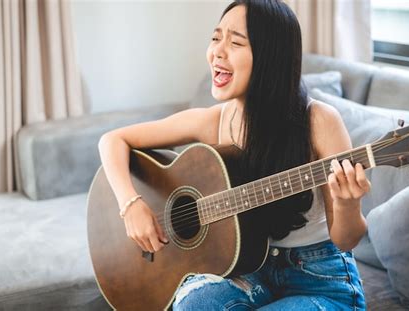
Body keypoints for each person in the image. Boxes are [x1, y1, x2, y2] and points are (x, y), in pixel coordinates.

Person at [98, 1, 370, 309]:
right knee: (195, 303)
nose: (217, 51)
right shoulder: (214, 121)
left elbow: (347, 239)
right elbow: (113, 140)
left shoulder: (319, 121)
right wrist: (131, 204)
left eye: (236, 42)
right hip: (249, 273)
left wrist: (349, 204)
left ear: (270, 57)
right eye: (216, 38)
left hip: (319, 279)